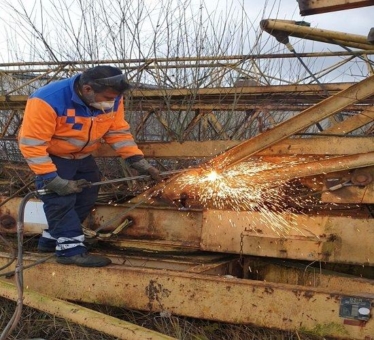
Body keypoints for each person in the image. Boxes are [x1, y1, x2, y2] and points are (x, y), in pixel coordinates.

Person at [18, 65, 161, 267]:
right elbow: (32, 145)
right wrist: (51, 179)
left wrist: (137, 161)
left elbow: (117, 131)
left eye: (115, 99)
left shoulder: (113, 97)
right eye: (108, 98)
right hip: (53, 156)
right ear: (87, 90)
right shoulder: (47, 100)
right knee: (60, 200)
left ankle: (52, 240)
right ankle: (70, 252)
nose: (111, 103)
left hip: (83, 156)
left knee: (87, 195)